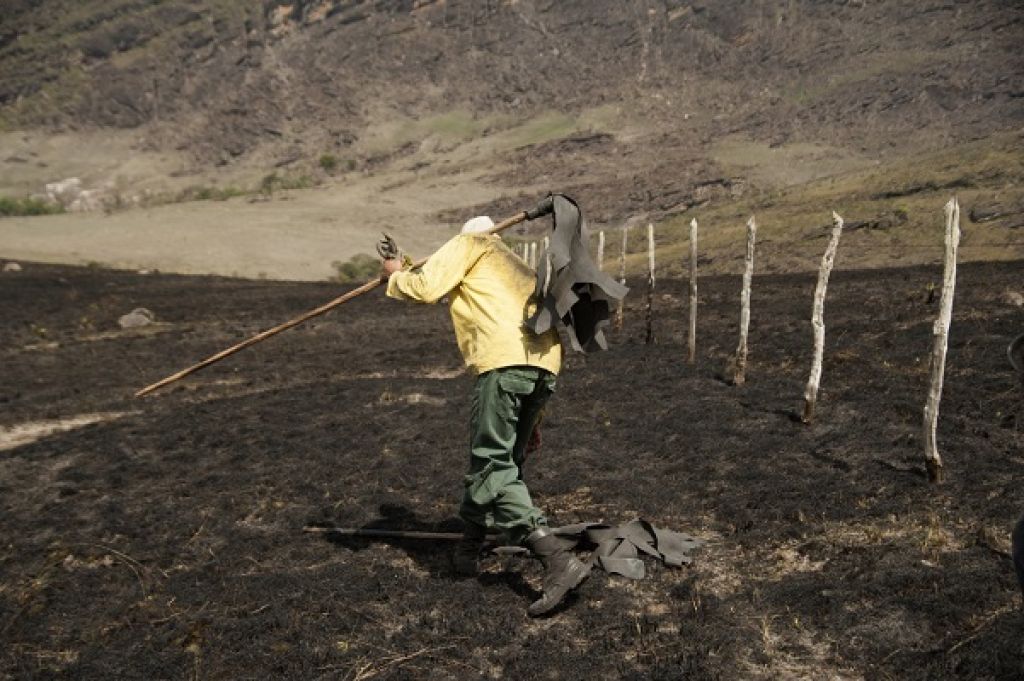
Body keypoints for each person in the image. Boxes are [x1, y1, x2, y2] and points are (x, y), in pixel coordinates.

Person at [378, 214, 589, 616]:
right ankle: (469, 548)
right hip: (542, 368)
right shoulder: (514, 265)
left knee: (492, 466)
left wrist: (393, 276)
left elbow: (425, 287)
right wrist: (537, 419)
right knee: (502, 462)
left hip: (502, 364)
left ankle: (556, 559)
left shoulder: (469, 245)